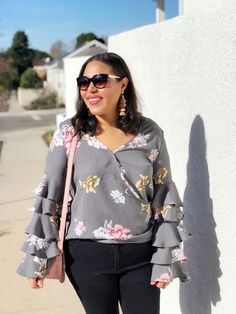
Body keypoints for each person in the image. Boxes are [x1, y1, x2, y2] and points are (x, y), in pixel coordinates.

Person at [17, 52, 190, 314]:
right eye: (83, 82)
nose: (90, 89)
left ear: (123, 84)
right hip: (86, 257)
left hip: (140, 256)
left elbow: (163, 196)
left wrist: (164, 259)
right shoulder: (69, 133)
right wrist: (37, 258)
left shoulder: (149, 133)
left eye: (99, 80)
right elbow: (50, 196)